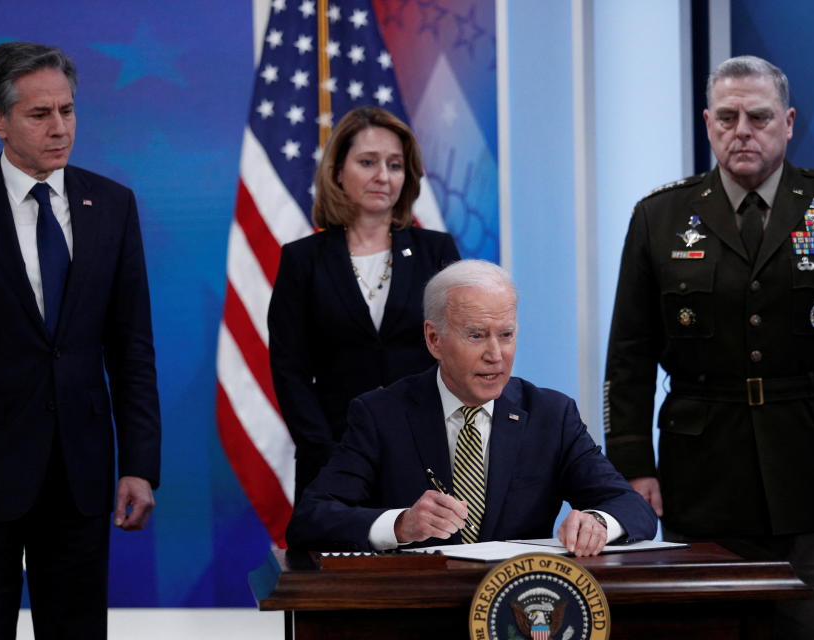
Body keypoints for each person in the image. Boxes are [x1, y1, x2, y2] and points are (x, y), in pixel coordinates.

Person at [604, 55, 814, 639]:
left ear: (788, 122)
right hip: (704, 471)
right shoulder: (658, 217)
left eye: (759, 117)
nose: (742, 130)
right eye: (728, 117)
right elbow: (629, 354)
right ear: (708, 122)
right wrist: (631, 467)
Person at [0, 43, 161, 639]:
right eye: (40, 114)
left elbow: (131, 346)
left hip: (80, 476)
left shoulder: (112, 206)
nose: (60, 128)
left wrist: (141, 465)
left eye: (67, 110)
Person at [287, 259, 657, 555]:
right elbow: (311, 519)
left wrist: (598, 522)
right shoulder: (381, 414)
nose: (495, 355)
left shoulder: (551, 415)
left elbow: (631, 506)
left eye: (506, 335)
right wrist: (400, 525)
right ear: (434, 339)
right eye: (476, 335)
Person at [268, 105, 460, 503]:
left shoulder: (437, 252)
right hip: (334, 458)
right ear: (338, 171)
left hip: (426, 460)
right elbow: (290, 371)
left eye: (394, 165)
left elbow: (458, 352)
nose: (382, 176)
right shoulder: (303, 260)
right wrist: (323, 449)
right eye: (367, 162)